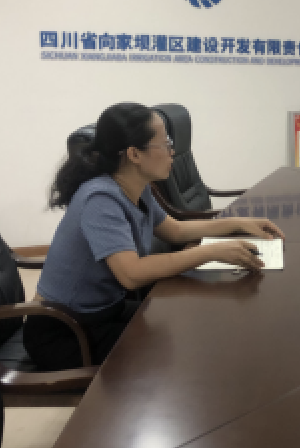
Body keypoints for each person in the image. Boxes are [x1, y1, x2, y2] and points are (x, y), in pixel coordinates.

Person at [24, 103, 283, 370]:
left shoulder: (137, 186)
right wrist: (210, 252)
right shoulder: (100, 198)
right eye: (165, 144)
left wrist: (237, 223)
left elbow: (175, 230)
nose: (172, 152)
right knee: (182, 349)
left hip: (103, 312)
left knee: (189, 324)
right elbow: (131, 274)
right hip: (65, 331)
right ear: (134, 154)